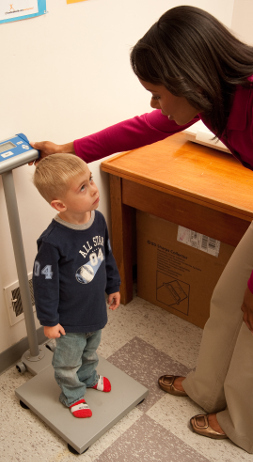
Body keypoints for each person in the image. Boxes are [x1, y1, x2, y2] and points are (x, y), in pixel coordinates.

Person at [29, 5, 253, 452]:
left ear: (188, 79)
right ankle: (205, 389)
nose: (154, 103)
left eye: (157, 92)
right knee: (227, 299)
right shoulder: (213, 93)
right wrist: (71, 149)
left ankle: (243, 427)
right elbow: (144, 127)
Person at [32, 153, 121, 418]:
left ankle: (88, 375)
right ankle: (72, 394)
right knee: (67, 361)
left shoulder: (98, 220)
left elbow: (106, 254)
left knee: (91, 350)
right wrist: (48, 321)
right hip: (68, 320)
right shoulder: (52, 241)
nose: (94, 188)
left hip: (94, 310)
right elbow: (43, 284)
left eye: (90, 180)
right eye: (82, 187)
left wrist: (113, 286)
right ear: (59, 204)